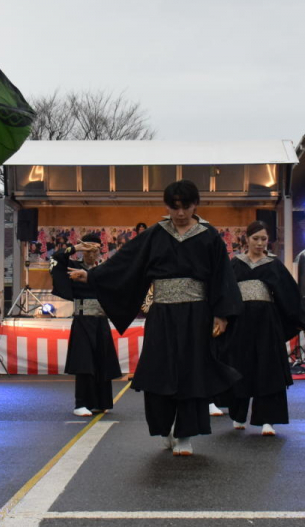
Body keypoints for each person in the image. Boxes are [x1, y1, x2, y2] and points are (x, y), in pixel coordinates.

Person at [74, 179, 242, 457]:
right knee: (159, 370)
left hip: (196, 316)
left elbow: (222, 275)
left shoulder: (209, 236)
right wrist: (92, 275)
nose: (180, 213)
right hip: (162, 314)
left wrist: (221, 314)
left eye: (185, 207)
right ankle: (165, 428)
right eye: (174, 207)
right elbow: (126, 260)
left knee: (192, 373)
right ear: (167, 207)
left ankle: (186, 434)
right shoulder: (156, 234)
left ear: (195, 205)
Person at [220, 221, 305, 436]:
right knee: (239, 365)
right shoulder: (235, 264)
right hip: (240, 323)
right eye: (256, 238)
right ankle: (238, 413)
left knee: (268, 368)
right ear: (246, 239)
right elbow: (224, 292)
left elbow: (290, 295)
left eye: (264, 239)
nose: (260, 243)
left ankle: (267, 420)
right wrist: (220, 317)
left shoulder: (273, 265)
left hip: (266, 324)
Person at [50, 232, 122, 417]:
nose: (91, 252)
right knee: (84, 362)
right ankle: (81, 403)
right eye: (87, 248)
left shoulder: (104, 268)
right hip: (82, 320)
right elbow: (56, 258)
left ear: (100, 251)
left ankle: (101, 402)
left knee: (102, 362)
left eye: (95, 248)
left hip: (101, 320)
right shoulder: (72, 266)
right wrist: (76, 248)